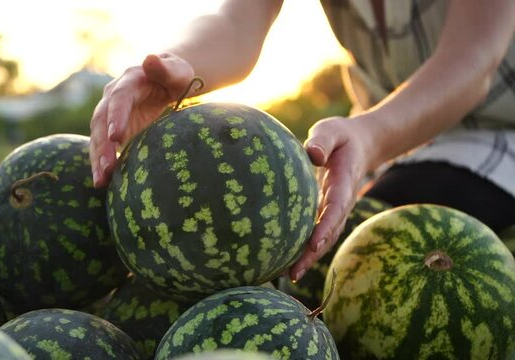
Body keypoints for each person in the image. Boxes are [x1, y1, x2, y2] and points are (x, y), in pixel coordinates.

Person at [89, 0, 515, 282]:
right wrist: (172, 66)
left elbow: (473, 61)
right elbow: (236, 23)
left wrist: (369, 137)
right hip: (385, 136)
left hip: (498, 134)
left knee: (380, 263)